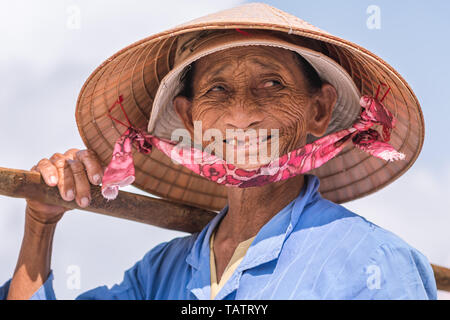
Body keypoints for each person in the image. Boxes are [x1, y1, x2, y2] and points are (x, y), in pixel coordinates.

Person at [1, 3, 437, 300]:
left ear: (319, 110)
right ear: (189, 118)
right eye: (218, 89)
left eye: (272, 84)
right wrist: (41, 224)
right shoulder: (161, 274)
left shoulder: (373, 262)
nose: (242, 115)